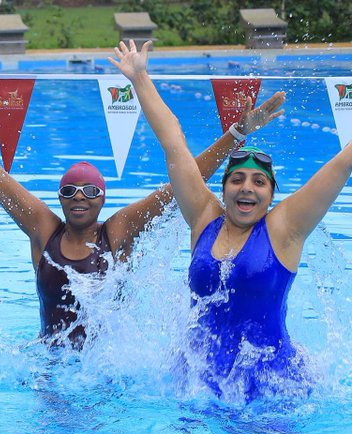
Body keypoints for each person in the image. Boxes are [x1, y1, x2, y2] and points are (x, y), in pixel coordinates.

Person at [0, 79, 285, 348]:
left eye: (90, 192)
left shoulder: (117, 232)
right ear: (59, 198)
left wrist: (236, 134)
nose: (79, 198)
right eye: (69, 191)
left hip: (104, 372)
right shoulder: (43, 230)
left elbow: (185, 182)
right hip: (49, 365)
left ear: (102, 199)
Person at [112, 40, 352, 398]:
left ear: (272, 196)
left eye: (259, 182)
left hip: (271, 390)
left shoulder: (283, 229)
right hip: (198, 383)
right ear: (223, 190)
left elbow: (342, 162)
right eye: (237, 180)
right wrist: (139, 77)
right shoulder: (204, 218)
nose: (247, 189)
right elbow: (174, 142)